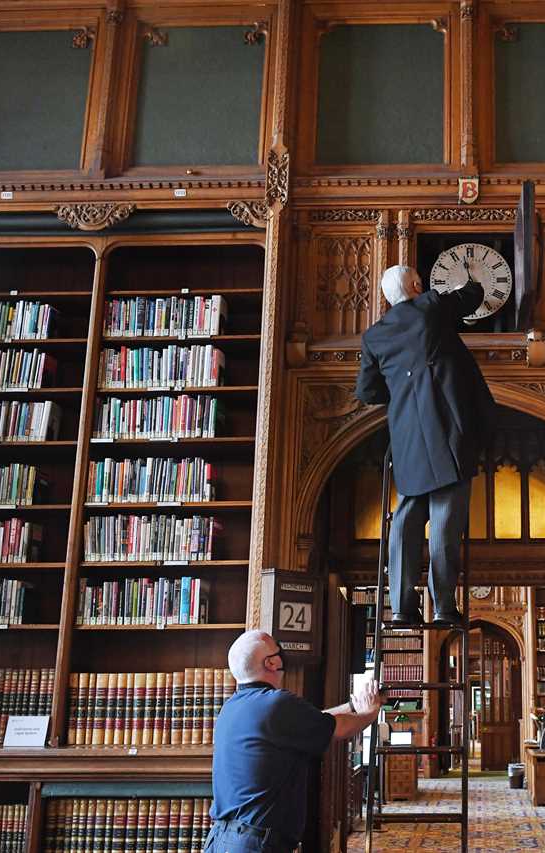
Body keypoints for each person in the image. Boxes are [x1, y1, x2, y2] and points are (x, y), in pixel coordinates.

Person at [354, 264, 496, 626]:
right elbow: (471, 297)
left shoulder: (374, 336)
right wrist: (475, 276)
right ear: (417, 285)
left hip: (406, 435)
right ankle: (444, 607)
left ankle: (401, 607)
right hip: (448, 429)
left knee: (406, 518)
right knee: (446, 521)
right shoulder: (430, 306)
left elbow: (368, 391)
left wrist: (403, 388)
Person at [206, 630, 382, 853]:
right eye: (278, 650)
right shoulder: (276, 703)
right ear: (271, 663)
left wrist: (354, 706)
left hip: (222, 839)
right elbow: (340, 729)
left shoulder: (232, 707)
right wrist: (370, 712)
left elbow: (315, 720)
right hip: (254, 844)